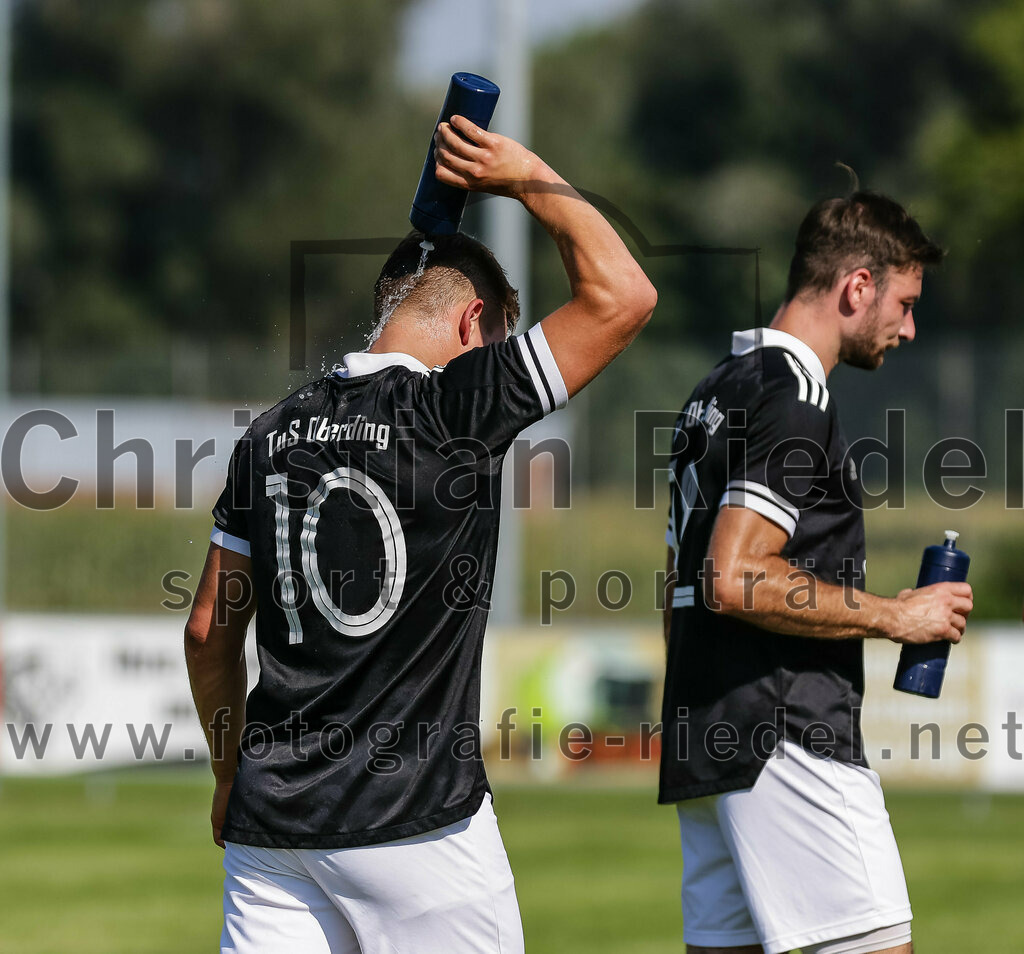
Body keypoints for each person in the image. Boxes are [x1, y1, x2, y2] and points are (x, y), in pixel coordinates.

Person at [185, 115, 657, 954]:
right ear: (474, 325)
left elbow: (207, 633)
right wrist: (524, 175)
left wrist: (229, 774)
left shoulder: (267, 436)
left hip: (272, 832)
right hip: (416, 829)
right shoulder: (454, 408)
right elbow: (624, 296)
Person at [660, 192, 973, 954]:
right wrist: (896, 617)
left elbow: (683, 587)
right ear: (856, 287)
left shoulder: (718, 385)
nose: (909, 327)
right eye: (902, 302)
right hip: (785, 733)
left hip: (708, 734)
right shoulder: (794, 394)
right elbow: (734, 576)